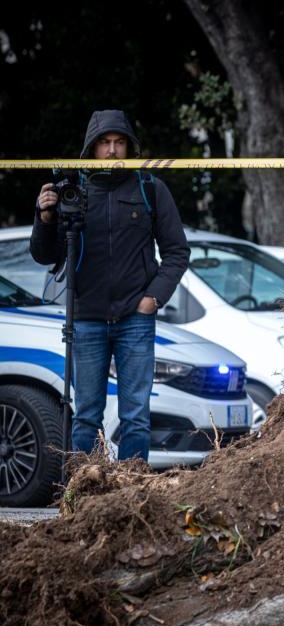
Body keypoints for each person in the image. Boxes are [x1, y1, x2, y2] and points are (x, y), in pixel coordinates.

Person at [29, 109, 189, 461]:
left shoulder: (151, 188)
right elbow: (44, 255)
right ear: (91, 149)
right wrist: (44, 217)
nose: (113, 150)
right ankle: (81, 495)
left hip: (136, 319)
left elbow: (177, 252)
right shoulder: (72, 191)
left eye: (119, 143)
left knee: (136, 418)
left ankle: (132, 493)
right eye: (104, 143)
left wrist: (153, 299)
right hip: (85, 319)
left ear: (130, 148)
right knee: (85, 417)